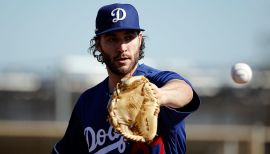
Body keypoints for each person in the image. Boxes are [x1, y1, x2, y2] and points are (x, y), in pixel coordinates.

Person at [52, 3, 200, 154]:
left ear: (140, 40)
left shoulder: (155, 82)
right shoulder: (88, 102)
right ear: (98, 44)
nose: (122, 47)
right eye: (112, 39)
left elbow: (184, 91)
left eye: (129, 37)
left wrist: (159, 96)